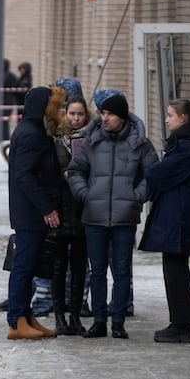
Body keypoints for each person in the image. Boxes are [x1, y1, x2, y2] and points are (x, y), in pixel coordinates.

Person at [67, 92, 158, 339]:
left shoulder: (140, 143)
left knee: (121, 270)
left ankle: (118, 321)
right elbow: (75, 170)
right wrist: (86, 194)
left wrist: (136, 196)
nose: (104, 118)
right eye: (102, 114)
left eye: (110, 114)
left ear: (122, 117)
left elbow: (153, 176)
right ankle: (99, 321)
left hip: (124, 217)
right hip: (94, 216)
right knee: (97, 270)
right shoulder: (91, 140)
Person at [139, 99, 190, 343]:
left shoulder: (187, 147)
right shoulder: (184, 143)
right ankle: (178, 322)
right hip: (177, 213)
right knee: (173, 268)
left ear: (182, 118)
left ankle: (182, 326)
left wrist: (147, 164)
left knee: (176, 271)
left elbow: (161, 174)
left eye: (170, 115)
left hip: (179, 216)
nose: (167, 119)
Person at [5, 85, 66, 340]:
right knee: (24, 265)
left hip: (33, 212)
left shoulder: (37, 131)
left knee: (30, 266)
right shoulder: (31, 134)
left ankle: (26, 316)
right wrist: (46, 207)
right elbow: (25, 175)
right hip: (30, 213)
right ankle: (16, 320)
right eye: (57, 107)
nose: (60, 112)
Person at [51, 93, 90, 336]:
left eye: (80, 114)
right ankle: (59, 316)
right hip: (61, 208)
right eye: (72, 113)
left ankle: (75, 315)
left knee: (79, 264)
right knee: (58, 264)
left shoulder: (93, 138)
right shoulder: (56, 139)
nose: (76, 118)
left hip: (84, 209)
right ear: (65, 115)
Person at [1, 58, 19, 141]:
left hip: (7, 101)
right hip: (3, 101)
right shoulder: (1, 75)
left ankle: (5, 137)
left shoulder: (10, 76)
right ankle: (3, 137)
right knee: (2, 120)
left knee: (5, 120)